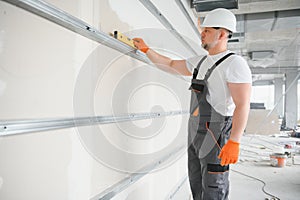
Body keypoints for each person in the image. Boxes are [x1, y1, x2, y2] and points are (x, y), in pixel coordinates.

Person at [133, 8, 252, 200]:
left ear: (222, 34)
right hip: (195, 132)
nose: (202, 34)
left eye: (207, 31)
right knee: (196, 183)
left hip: (216, 135)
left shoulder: (235, 64)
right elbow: (171, 65)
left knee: (214, 187)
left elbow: (243, 104)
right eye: (203, 30)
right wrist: (147, 50)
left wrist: (235, 141)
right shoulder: (201, 61)